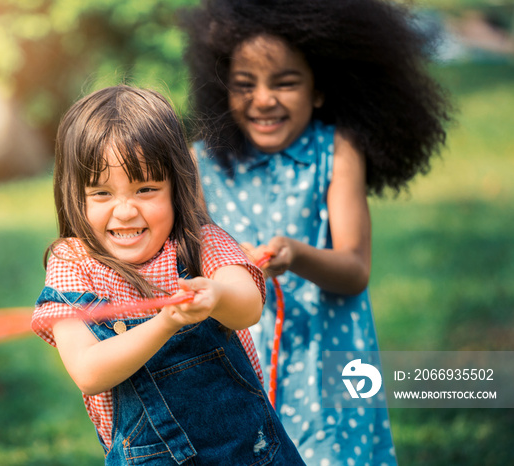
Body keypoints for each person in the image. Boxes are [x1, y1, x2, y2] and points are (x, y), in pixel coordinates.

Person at [181, 0, 452, 464]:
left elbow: (355, 269)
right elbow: (185, 261)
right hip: (242, 357)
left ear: (320, 89)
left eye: (285, 83)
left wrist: (297, 256)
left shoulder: (337, 151)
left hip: (331, 357)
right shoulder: (201, 163)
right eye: (244, 85)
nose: (264, 99)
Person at [31, 85, 305, 465]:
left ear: (177, 188)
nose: (125, 211)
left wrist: (217, 296)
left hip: (253, 452)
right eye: (101, 194)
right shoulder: (74, 264)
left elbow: (248, 307)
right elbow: (89, 371)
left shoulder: (200, 242)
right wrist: (165, 323)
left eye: (146, 189)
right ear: (74, 194)